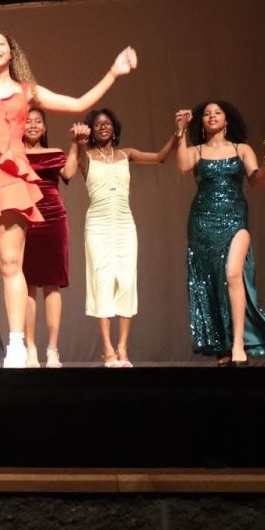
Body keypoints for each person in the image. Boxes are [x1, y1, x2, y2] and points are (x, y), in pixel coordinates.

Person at [0, 27, 138, 368]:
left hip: (13, 176)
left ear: (11, 53)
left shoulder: (26, 91)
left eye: (0, 44)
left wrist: (113, 72)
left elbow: (78, 103)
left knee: (11, 264)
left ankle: (18, 343)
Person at [69, 108, 183, 368]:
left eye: (107, 123)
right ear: (91, 129)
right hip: (97, 225)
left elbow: (160, 157)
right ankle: (107, 348)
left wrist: (179, 132)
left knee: (126, 282)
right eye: (97, 124)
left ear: (114, 128)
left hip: (124, 225)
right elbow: (67, 171)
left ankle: (122, 347)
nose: (102, 127)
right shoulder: (86, 156)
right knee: (102, 280)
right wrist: (76, 142)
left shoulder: (126, 154)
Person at [177, 102, 265, 365]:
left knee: (233, 274)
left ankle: (239, 343)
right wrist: (180, 132)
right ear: (201, 123)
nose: (212, 116)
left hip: (235, 219)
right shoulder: (196, 150)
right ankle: (223, 346)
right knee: (212, 282)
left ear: (227, 120)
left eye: (217, 112)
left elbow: (257, 181)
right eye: (206, 114)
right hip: (202, 222)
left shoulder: (242, 149)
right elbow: (182, 165)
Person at [20, 107, 72, 368]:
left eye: (38, 121)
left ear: (45, 127)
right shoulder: (14, 153)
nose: (32, 125)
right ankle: (30, 348)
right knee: (26, 285)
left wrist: (78, 144)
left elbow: (70, 174)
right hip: (24, 218)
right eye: (27, 121)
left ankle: (52, 348)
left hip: (53, 218)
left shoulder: (56, 153)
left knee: (52, 284)